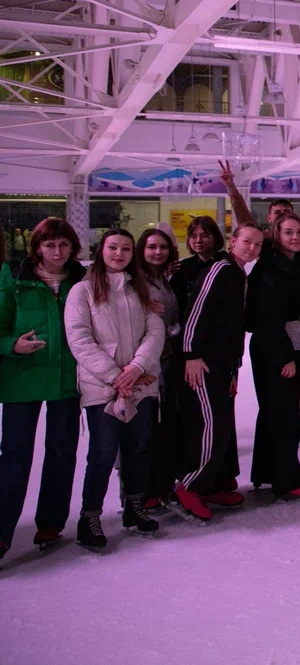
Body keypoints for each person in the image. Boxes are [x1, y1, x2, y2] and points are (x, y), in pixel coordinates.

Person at [64, 228, 165, 549]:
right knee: (103, 452)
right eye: (112, 248)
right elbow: (79, 339)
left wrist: (136, 367)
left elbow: (155, 331)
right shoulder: (82, 291)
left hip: (141, 383)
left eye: (125, 249)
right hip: (102, 387)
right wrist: (114, 376)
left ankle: (134, 506)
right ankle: (90, 517)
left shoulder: (141, 289)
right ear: (101, 250)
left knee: (138, 448)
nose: (118, 254)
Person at [0, 218, 84, 559]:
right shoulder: (13, 279)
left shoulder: (82, 281)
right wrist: (11, 345)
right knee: (14, 455)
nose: (57, 252)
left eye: (63, 244)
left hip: (67, 380)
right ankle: (2, 531)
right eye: (50, 245)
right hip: (23, 378)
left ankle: (51, 520)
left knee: (62, 450)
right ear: (37, 248)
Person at [171, 223, 263, 524]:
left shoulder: (238, 273)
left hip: (222, 366)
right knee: (212, 427)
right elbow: (196, 312)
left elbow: (232, 329)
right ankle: (189, 486)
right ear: (233, 241)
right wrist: (191, 355)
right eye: (246, 242)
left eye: (257, 245)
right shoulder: (220, 269)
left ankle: (209, 485)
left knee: (221, 427)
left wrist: (234, 369)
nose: (251, 248)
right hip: (202, 364)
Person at [245, 213, 300, 500]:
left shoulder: (293, 263)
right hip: (275, 347)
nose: (295, 237)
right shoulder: (270, 268)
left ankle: (268, 472)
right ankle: (288, 481)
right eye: (288, 232)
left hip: (285, 342)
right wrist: (284, 356)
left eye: (299, 232)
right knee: (284, 414)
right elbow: (266, 317)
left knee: (274, 412)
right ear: (276, 234)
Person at [135, 228, 184, 507]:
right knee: (143, 429)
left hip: (166, 359)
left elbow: (172, 318)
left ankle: (157, 487)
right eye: (152, 247)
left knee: (162, 427)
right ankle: (138, 493)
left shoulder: (163, 279)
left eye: (163, 247)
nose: (158, 252)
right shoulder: (136, 281)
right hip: (144, 363)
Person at [169, 215, 225, 321]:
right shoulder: (182, 267)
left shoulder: (226, 264)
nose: (198, 240)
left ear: (215, 237)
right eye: (193, 236)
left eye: (205, 235)